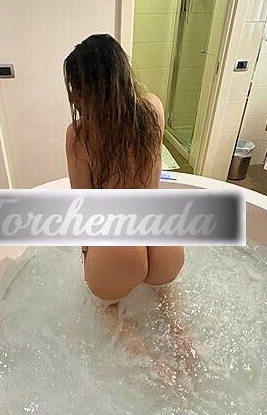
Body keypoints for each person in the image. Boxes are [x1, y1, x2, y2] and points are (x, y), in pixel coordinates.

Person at [64, 33, 184, 304]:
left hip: (117, 244)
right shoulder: (153, 109)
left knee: (110, 309)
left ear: (84, 89)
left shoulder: (80, 134)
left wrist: (88, 257)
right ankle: (178, 327)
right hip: (164, 240)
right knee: (166, 302)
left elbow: (83, 206)